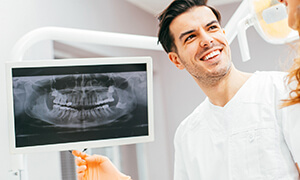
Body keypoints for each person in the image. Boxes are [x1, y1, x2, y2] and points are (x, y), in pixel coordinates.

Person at [73, 0, 300, 179]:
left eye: (212, 28)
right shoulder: (187, 134)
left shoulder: (281, 90)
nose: (207, 40)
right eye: (191, 37)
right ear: (176, 60)